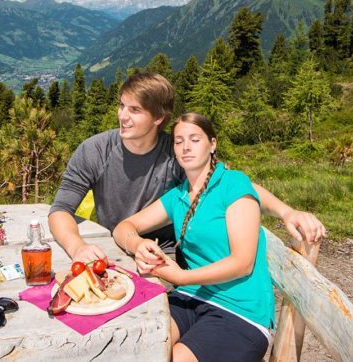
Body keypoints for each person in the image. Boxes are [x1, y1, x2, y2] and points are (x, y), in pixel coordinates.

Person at [48, 72, 325, 263]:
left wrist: (287, 211)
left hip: (164, 254)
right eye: (122, 106)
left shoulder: (178, 153)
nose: (122, 116)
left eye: (134, 110)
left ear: (158, 117)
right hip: (111, 247)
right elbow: (61, 209)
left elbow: (230, 185)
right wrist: (78, 248)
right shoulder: (95, 149)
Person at [113, 112, 273, 362]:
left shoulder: (233, 184)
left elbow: (243, 263)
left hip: (241, 310)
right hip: (191, 296)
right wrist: (138, 244)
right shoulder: (177, 196)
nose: (186, 147)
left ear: (212, 144)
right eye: (179, 141)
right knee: (141, 341)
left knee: (176, 357)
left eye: (195, 139)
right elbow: (123, 227)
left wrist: (181, 277)